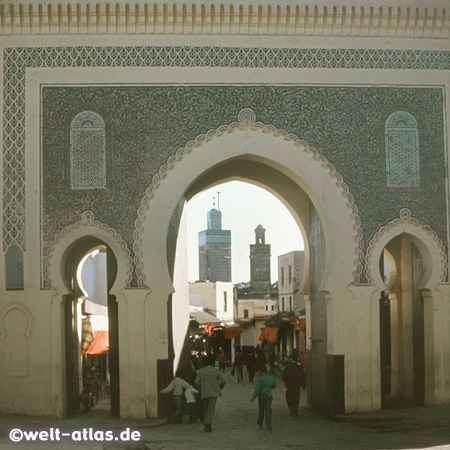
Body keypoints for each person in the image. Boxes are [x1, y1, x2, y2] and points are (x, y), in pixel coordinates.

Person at [195, 354, 226, 432]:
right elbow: (223, 380)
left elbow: (197, 382)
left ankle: (206, 421)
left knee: (205, 407)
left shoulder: (201, 371)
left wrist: (201, 387)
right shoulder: (216, 371)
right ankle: (208, 424)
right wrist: (220, 386)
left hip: (204, 391)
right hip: (214, 392)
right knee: (211, 408)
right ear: (212, 363)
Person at [251, 365, 277, 430]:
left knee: (261, 410)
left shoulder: (260, 379)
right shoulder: (270, 377)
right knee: (268, 410)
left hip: (262, 396)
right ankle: (269, 424)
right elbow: (275, 384)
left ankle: (260, 423)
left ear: (261, 371)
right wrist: (271, 387)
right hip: (268, 395)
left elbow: (257, 389)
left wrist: (253, 397)